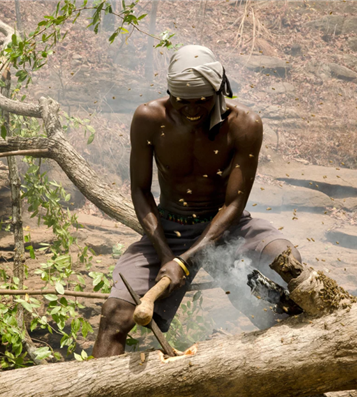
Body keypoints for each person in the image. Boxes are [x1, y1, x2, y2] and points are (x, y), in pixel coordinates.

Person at [92, 45, 303, 358]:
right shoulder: (149, 118)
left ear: (218, 91)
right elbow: (140, 190)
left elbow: (233, 204)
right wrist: (167, 255)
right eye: (182, 102)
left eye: (202, 101)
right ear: (169, 92)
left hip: (229, 228)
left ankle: (302, 355)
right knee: (114, 314)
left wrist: (184, 261)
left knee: (287, 260)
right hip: (170, 229)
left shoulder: (245, 125)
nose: (191, 110)